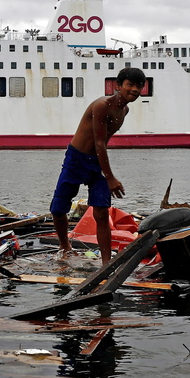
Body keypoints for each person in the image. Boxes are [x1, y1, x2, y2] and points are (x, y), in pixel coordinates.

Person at [49, 66, 146, 265]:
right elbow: (99, 141)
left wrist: (105, 173)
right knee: (58, 208)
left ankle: (105, 262)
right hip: (77, 159)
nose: (135, 90)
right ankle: (64, 245)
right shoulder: (102, 105)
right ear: (118, 86)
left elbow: (102, 145)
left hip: (97, 162)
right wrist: (110, 177)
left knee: (101, 211)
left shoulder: (124, 109)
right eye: (130, 85)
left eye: (139, 86)